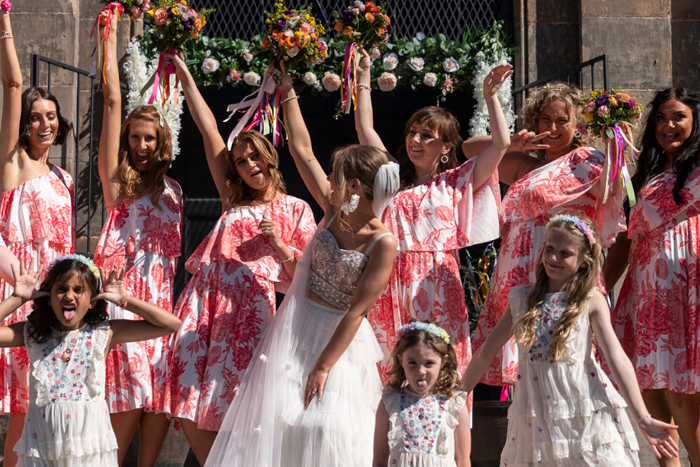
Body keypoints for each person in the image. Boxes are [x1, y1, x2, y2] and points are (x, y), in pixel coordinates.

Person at [203, 63, 400, 467]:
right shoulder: (334, 210)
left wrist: (324, 366)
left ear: (356, 186)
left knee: (329, 429)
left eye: (337, 174)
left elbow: (359, 310)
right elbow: (301, 149)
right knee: (281, 424)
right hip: (296, 324)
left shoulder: (383, 243)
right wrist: (288, 89)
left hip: (339, 339)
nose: (329, 177)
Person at [161, 54, 316, 465]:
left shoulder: (298, 208)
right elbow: (209, 128)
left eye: (255, 157)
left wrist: (281, 244)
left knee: (244, 402)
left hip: (255, 313)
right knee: (189, 391)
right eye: (242, 161)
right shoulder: (233, 199)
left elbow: (307, 276)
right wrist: (186, 75)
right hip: (205, 304)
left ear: (271, 157)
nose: (249, 166)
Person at [462, 215, 679, 465]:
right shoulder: (521, 300)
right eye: (550, 248)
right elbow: (484, 354)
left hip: (585, 413)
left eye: (565, 253)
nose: (553, 258)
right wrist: (457, 396)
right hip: (538, 418)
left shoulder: (590, 300)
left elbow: (616, 357)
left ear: (584, 262)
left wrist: (642, 416)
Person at [354, 48, 510, 380]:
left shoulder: (456, 182)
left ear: (446, 147)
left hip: (438, 278)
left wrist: (490, 96)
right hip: (391, 277)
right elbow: (365, 129)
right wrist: (364, 77)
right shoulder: (393, 177)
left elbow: (500, 144)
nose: (416, 139)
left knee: (441, 366)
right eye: (412, 132)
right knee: (391, 368)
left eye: (427, 135)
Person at [467, 82, 626, 387]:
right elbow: (468, 150)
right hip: (519, 268)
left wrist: (615, 140)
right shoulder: (525, 165)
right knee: (524, 362)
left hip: (563, 265)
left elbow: (611, 188)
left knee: (567, 355)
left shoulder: (587, 160)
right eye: (545, 120)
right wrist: (511, 144)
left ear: (577, 123)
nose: (552, 128)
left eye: (562, 121)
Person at [92, 14, 183, 465]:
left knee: (157, 403)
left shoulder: (176, 193)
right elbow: (112, 100)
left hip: (161, 306)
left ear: (161, 141)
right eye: (135, 138)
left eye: (149, 138)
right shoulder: (118, 186)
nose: (142, 145)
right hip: (123, 302)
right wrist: (108, 36)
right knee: (126, 400)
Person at [0, 255, 181, 466]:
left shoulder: (103, 333)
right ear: (48, 298)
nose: (69, 296)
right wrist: (17, 298)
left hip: (89, 449)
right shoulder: (32, 333)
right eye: (61, 289)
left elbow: (171, 324)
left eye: (78, 290)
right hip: (40, 447)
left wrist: (124, 300)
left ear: (92, 299)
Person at [605, 88, 700, 467]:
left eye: (678, 116)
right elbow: (627, 239)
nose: (668, 125)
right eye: (660, 117)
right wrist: (599, 283)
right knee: (651, 392)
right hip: (646, 289)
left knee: (682, 395)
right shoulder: (645, 172)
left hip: (685, 287)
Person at [0, 9, 74, 465]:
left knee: (44, 406)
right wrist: (4, 23)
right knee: (21, 408)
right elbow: (12, 85)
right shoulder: (13, 164)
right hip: (18, 288)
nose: (45, 123)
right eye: (35, 117)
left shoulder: (64, 176)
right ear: (23, 124)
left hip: (53, 295)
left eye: (51, 116)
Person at [373, 320, 470, 467]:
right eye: (412, 362)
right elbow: (380, 459)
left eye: (429, 363)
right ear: (401, 360)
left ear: (443, 362)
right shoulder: (390, 402)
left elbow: (463, 459)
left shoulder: (454, 404)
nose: (420, 371)